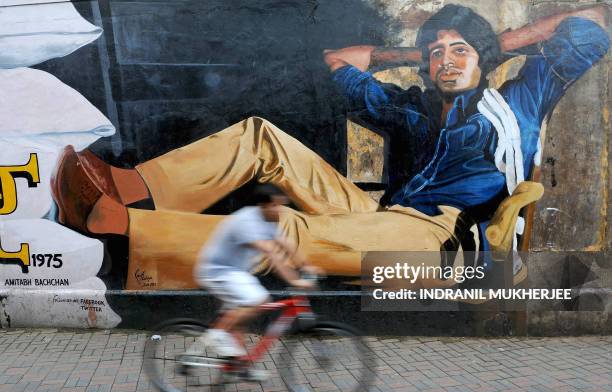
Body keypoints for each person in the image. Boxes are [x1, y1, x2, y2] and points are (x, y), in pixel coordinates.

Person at [50, 4, 609, 289]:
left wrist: (498, 44)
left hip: (446, 247)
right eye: (438, 53)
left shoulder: (521, 99)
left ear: (485, 57)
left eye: (462, 51)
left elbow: (595, 19)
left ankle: (118, 224)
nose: (448, 60)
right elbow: (339, 60)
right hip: (388, 217)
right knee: (259, 136)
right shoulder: (412, 109)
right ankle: (130, 186)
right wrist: (415, 55)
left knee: (284, 229)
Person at [191, 184, 318, 378]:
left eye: (282, 205)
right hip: (217, 271)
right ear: (263, 205)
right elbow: (272, 253)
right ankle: (217, 335)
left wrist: (307, 266)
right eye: (276, 206)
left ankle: (240, 366)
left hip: (235, 273)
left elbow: (286, 245)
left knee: (241, 319)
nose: (281, 210)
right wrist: (296, 281)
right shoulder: (246, 221)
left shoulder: (269, 220)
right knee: (258, 300)